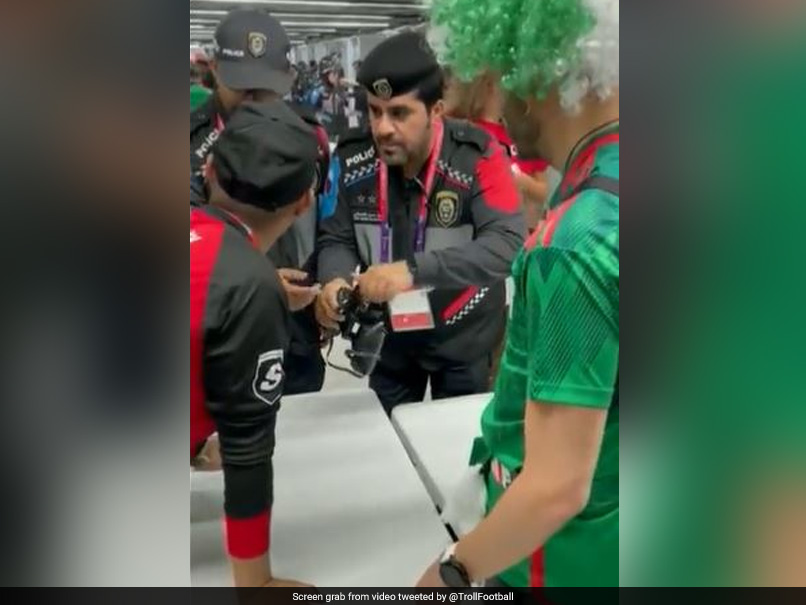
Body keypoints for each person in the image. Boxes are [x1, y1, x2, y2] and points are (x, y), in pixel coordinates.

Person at [416, 0, 618, 588]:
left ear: (539, 72)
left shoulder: (576, 239)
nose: (499, 99)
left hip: (566, 560)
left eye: (502, 76)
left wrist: (452, 573)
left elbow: (557, 486)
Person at [315, 31, 525, 415]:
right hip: (391, 341)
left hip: (467, 339)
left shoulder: (478, 156)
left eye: (399, 113)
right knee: (386, 447)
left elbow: (508, 244)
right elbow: (336, 237)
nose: (382, 128)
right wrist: (334, 280)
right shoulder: (351, 158)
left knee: (458, 452)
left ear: (436, 111)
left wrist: (412, 271)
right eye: (374, 111)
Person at [190, 101, 319, 588]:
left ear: (206, 171)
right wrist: (256, 583)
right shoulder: (249, 287)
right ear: (304, 201)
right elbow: (247, 451)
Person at [190, 8, 331, 395]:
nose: (254, 100)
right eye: (242, 88)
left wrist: (330, 289)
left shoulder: (308, 140)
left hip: (295, 335)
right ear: (215, 68)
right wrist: (258, 285)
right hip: (210, 337)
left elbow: (329, 226)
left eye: (264, 88)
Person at [444, 70, 549, 230]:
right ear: (490, 86)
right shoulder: (466, 131)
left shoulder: (520, 134)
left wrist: (523, 183)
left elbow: (544, 192)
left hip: (525, 230)